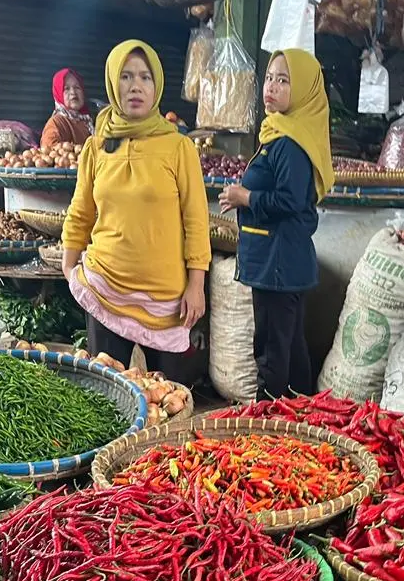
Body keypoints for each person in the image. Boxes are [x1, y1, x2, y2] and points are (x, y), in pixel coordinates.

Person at [62, 41, 209, 377]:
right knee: (107, 394)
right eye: (126, 76)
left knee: (170, 394)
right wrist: (69, 268)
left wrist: (196, 284)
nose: (135, 86)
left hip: (166, 299)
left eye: (145, 77)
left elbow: (196, 220)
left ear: (156, 86)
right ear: (113, 84)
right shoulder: (96, 147)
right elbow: (81, 212)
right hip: (105, 288)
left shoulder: (179, 147)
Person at [219, 49, 333, 400]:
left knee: (272, 345)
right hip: (277, 260)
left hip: (277, 263)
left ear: (303, 91)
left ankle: (267, 417)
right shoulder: (279, 134)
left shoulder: (291, 144)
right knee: (288, 343)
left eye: (283, 80)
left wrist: (246, 197)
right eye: (269, 77)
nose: (271, 86)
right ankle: (299, 413)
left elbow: (290, 200)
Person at [41, 68, 94, 149]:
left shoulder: (88, 121)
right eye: (66, 88)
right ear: (58, 94)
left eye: (77, 87)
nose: (73, 92)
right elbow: (48, 150)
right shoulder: (56, 122)